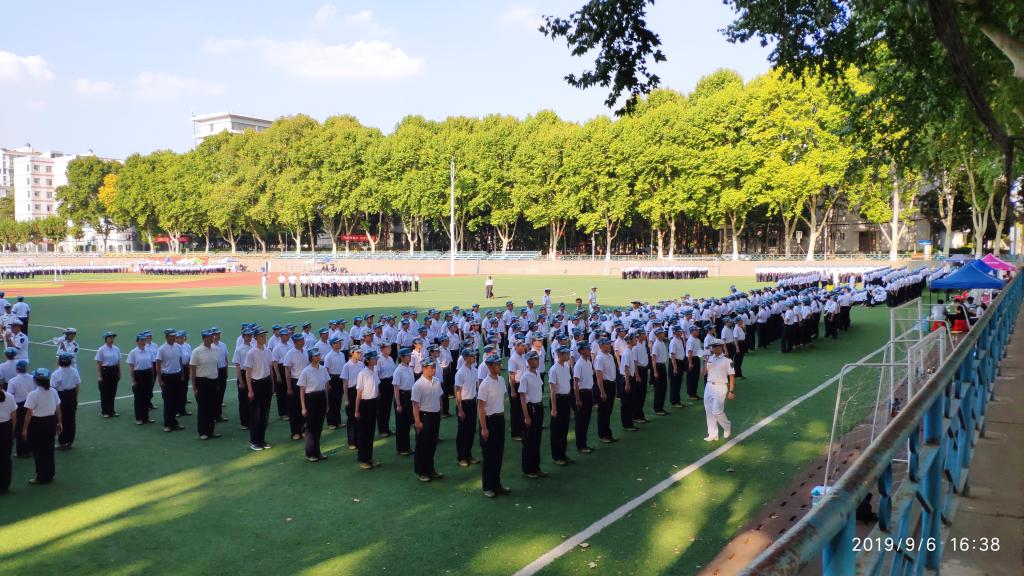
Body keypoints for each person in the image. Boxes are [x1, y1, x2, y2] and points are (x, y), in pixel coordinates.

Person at [21, 368, 61, 484]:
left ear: (36, 380)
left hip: (38, 423)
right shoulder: (53, 391)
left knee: (38, 451)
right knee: (49, 449)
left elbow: (29, 413)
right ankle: (50, 474)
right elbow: (58, 408)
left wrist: (24, 429)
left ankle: (41, 476)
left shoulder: (33, 394)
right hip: (51, 421)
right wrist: (59, 422)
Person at [477, 355, 509, 497]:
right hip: (489, 421)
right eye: (496, 364)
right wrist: (484, 428)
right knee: (489, 456)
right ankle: (487, 486)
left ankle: (497, 484)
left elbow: (500, 400)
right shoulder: (485, 384)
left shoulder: (501, 380)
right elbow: (480, 407)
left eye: (499, 364)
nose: (499, 366)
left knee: (498, 454)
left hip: (499, 419)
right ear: (489, 366)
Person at [411, 358, 443, 481]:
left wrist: (440, 412)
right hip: (424, 416)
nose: (433, 370)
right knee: (422, 445)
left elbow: (439, 397)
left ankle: (430, 469)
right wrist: (417, 421)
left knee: (432, 444)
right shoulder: (418, 385)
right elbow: (415, 404)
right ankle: (421, 471)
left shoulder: (437, 381)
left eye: (434, 367)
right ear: (424, 368)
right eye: (431, 368)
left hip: (435, 415)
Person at [245, 328, 275, 451]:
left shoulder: (267, 351)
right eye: (261, 336)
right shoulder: (251, 353)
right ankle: (254, 441)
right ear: (256, 338)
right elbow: (248, 373)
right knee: (255, 415)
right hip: (256, 384)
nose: (264, 338)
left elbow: (270, 368)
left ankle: (262, 439)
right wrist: (250, 390)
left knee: (264, 413)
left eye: (264, 336)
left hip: (266, 383)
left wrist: (272, 384)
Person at [519, 350, 546, 478]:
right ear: (529, 361)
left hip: (538, 408)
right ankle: (528, 469)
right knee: (529, 441)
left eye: (537, 359)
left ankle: (536, 467)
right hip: (531, 409)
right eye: (534, 359)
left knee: (537, 439)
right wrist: (526, 416)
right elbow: (522, 397)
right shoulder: (525, 377)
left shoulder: (537, 373)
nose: (537, 361)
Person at [298, 349, 329, 462]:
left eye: (319, 355)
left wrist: (327, 404)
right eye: (316, 356)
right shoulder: (306, 371)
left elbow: (325, 387)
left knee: (319, 427)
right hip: (311, 398)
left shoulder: (323, 369)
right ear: (311, 358)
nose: (318, 357)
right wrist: (303, 407)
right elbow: (302, 389)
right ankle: (309, 453)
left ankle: (317, 452)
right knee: (311, 427)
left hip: (321, 397)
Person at [189, 330, 221, 440]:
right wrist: (194, 387)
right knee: (203, 407)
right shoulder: (197, 351)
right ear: (204, 338)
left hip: (213, 381)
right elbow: (192, 369)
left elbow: (215, 366)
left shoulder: (215, 349)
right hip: (202, 382)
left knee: (212, 407)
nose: (213, 338)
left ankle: (211, 430)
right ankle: (203, 431)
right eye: (210, 337)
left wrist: (217, 381)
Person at [702, 339, 735, 442]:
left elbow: (732, 376)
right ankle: (713, 434)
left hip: (720, 387)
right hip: (709, 386)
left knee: (717, 411)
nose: (713, 348)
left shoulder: (727, 360)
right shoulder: (710, 358)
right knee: (709, 411)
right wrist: (705, 362)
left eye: (715, 346)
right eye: (712, 346)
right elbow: (704, 374)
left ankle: (727, 426)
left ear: (720, 347)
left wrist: (731, 391)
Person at [354, 351, 381, 469]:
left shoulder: (374, 371)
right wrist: (357, 410)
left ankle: (369, 458)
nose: (376, 360)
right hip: (365, 404)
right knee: (364, 433)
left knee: (370, 432)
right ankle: (363, 459)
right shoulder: (362, 374)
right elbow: (359, 393)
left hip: (373, 403)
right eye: (374, 359)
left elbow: (377, 387)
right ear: (368, 360)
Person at [548, 345, 573, 465]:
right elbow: (552, 390)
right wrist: (554, 408)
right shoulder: (554, 369)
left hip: (566, 399)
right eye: (566, 353)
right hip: (558, 400)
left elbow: (567, 384)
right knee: (557, 430)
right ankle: (557, 456)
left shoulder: (566, 366)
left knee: (564, 428)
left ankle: (563, 454)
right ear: (560, 355)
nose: (568, 355)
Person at [453, 349, 478, 467]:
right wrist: (460, 409)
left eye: (474, 355)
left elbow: (476, 386)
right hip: (463, 404)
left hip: (472, 402)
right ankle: (461, 457)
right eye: (471, 356)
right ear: (465, 358)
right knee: (463, 432)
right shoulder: (460, 372)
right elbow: (457, 391)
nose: (474, 357)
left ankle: (468, 454)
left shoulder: (474, 370)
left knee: (471, 431)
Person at [156, 330, 185, 433]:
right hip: (167, 377)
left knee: (176, 400)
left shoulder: (178, 347)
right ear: (167, 337)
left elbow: (180, 360)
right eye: (172, 336)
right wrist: (160, 379)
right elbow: (158, 364)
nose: (174, 337)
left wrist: (182, 374)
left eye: (174, 336)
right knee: (168, 401)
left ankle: (174, 422)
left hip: (177, 376)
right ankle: (168, 424)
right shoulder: (162, 349)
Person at [51, 353, 80, 449]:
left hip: (60, 396)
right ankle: (70, 441)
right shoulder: (74, 371)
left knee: (61, 419)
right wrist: (76, 397)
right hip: (72, 395)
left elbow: (53, 389)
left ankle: (62, 442)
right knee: (71, 419)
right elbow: (77, 385)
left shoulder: (56, 374)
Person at [283, 334, 309, 440]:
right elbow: (287, 372)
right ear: (295, 342)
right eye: (300, 340)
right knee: (295, 408)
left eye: (302, 340)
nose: (302, 341)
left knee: (305, 406)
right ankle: (295, 431)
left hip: (306, 382)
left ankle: (303, 429)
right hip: (296, 382)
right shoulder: (290, 354)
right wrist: (289, 387)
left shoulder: (305, 351)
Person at [572, 342, 596, 454]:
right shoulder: (579, 364)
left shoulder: (588, 362)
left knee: (586, 420)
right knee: (581, 421)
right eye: (586, 349)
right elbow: (575, 384)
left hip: (588, 393)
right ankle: (580, 445)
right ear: (581, 351)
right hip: (581, 394)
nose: (588, 350)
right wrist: (577, 399)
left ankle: (584, 443)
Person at [127, 334, 155, 426]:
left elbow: (151, 364)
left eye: (144, 340)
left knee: (147, 396)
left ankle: (146, 417)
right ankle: (139, 418)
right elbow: (131, 367)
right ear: (137, 341)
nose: (143, 342)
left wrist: (152, 377)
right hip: (138, 375)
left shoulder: (148, 351)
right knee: (139, 397)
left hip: (148, 374)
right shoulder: (133, 352)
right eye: (141, 340)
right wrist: (133, 380)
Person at [593, 338, 617, 444]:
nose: (609, 345)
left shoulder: (610, 356)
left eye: (609, 344)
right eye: (607, 344)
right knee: (603, 412)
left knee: (608, 411)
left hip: (611, 385)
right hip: (604, 386)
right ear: (601, 346)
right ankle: (603, 435)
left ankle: (608, 433)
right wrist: (602, 392)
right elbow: (599, 377)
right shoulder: (599, 358)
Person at [392, 348, 415, 456]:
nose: (409, 357)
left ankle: (407, 447)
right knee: (401, 424)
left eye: (410, 355)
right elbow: (396, 388)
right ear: (402, 357)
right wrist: (398, 404)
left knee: (407, 424)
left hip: (409, 396)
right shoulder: (398, 370)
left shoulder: (409, 368)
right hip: (401, 397)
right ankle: (401, 448)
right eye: (407, 356)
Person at [7, 360, 33, 458]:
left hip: (19, 406)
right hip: (30, 404)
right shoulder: (32, 378)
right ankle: (30, 449)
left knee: (20, 428)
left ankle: (21, 451)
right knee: (30, 426)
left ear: (17, 369)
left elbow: (10, 395)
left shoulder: (13, 381)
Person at [94, 331, 121, 418]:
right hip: (105, 371)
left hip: (114, 370)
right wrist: (99, 375)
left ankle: (112, 411)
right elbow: (99, 363)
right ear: (106, 339)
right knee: (105, 392)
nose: (112, 339)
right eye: (110, 337)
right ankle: (105, 411)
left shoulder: (116, 349)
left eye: (113, 337)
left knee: (113, 392)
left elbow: (118, 362)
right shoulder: (101, 349)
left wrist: (119, 372)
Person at [232, 329, 254, 430]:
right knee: (243, 400)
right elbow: (237, 366)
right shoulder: (239, 349)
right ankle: (244, 422)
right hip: (243, 373)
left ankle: (251, 419)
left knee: (252, 399)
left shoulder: (253, 347)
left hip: (253, 374)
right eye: (247, 336)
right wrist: (240, 381)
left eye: (250, 336)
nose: (249, 337)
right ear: (243, 336)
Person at [376, 343, 396, 437]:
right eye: (387, 347)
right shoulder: (378, 359)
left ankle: (387, 428)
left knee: (388, 407)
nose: (390, 349)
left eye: (390, 347)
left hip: (390, 383)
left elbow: (393, 371)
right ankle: (382, 430)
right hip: (382, 383)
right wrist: (377, 389)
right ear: (382, 349)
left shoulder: (390, 358)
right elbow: (376, 374)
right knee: (382, 408)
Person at [0, 384, 14, 492]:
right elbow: (14, 415)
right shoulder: (9, 396)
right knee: (6, 457)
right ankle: (5, 484)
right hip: (6, 428)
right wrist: (12, 429)